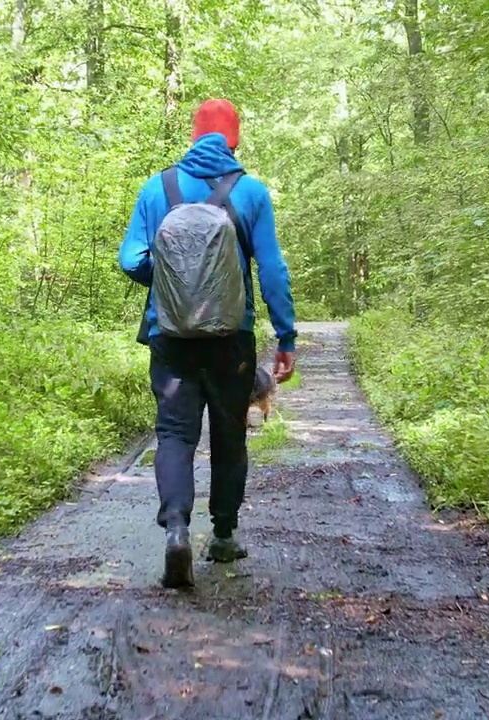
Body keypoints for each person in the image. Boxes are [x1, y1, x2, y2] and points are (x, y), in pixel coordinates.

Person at [117, 98, 297, 589]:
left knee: (174, 433)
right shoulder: (252, 192)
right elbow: (273, 271)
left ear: (194, 137)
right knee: (228, 435)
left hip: (170, 335)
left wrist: (172, 280)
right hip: (230, 339)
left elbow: (130, 258)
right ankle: (222, 535)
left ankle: (177, 529)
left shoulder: (159, 188)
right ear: (234, 140)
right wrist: (286, 336)